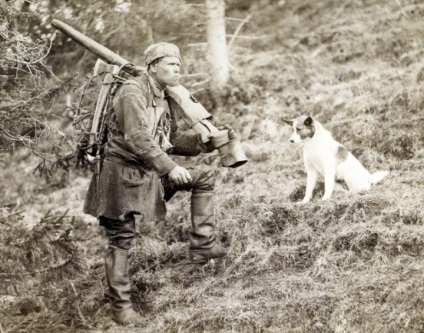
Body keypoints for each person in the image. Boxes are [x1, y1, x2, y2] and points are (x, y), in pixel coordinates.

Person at [83, 42, 234, 325]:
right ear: (153, 67)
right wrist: (170, 167)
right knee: (121, 240)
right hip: (119, 175)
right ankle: (122, 308)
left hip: (147, 172)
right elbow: (138, 138)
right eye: (171, 64)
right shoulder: (131, 92)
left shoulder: (164, 97)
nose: (178, 69)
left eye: (179, 64)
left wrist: (204, 143)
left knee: (202, 179)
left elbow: (171, 139)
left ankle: (203, 244)